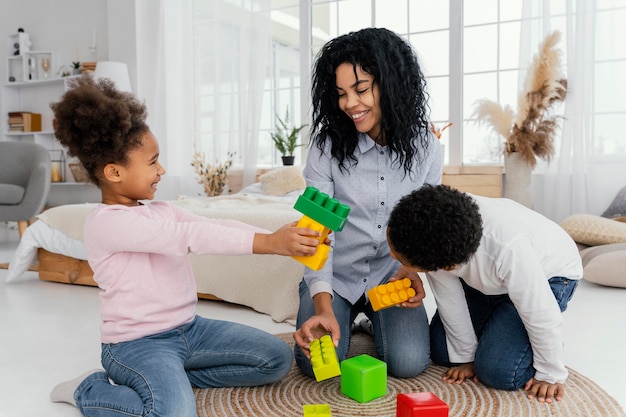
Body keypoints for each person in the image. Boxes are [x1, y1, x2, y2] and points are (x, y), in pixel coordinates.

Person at [48, 76, 325, 417]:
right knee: (175, 414)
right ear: (114, 172)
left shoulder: (160, 210)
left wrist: (278, 235)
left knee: (275, 360)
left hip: (190, 330)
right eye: (152, 162)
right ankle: (87, 389)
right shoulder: (106, 223)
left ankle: (174, 381)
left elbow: (211, 226)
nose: (161, 169)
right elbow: (187, 237)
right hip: (135, 346)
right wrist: (268, 243)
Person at [293, 27, 442, 379]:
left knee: (409, 364)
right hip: (336, 277)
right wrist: (323, 305)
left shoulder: (427, 148)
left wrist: (412, 269)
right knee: (316, 366)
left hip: (388, 276)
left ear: (391, 84)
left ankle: (373, 321)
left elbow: (426, 223)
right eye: (342, 93)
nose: (349, 104)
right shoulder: (326, 147)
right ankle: (344, 313)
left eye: (361, 89)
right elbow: (314, 232)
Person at [386, 184, 582, 403]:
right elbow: (450, 298)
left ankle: (506, 321)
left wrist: (550, 373)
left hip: (549, 277)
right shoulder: (436, 231)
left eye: (400, 259)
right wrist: (465, 357)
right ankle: (498, 318)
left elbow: (539, 312)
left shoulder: (508, 248)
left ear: (447, 266)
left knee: (498, 372)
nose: (392, 255)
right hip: (490, 281)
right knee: (444, 352)